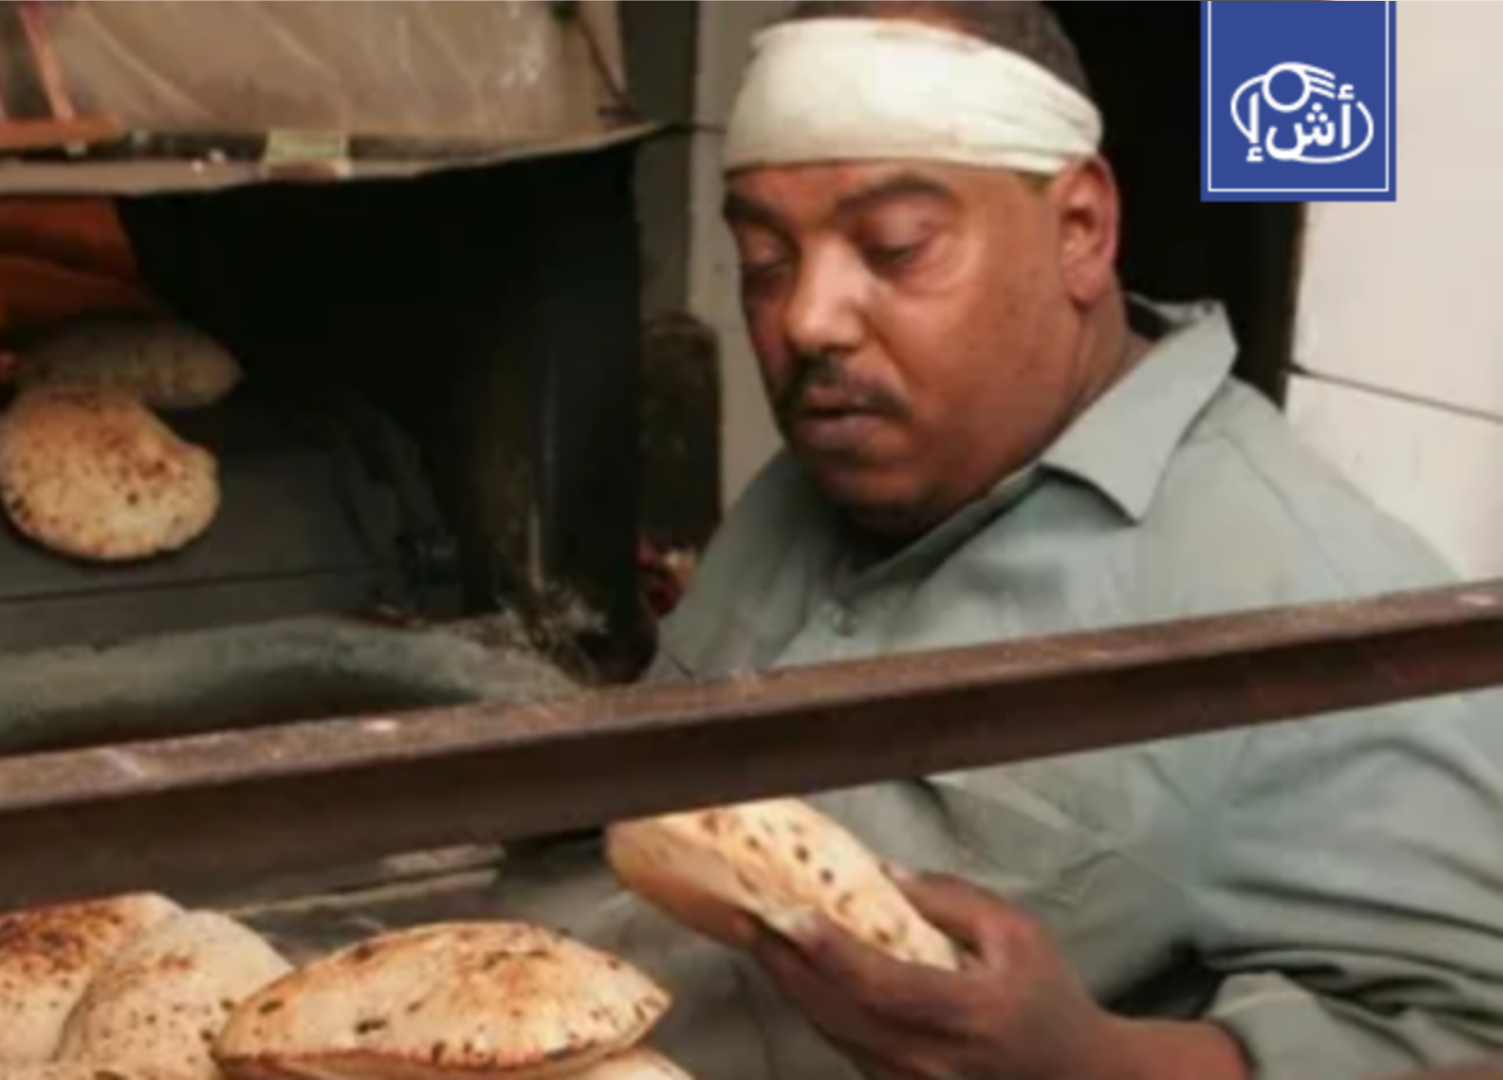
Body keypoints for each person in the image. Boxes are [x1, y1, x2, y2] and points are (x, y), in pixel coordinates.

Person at [495, 1, 1503, 1077]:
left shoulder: (1302, 610)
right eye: (764, 258)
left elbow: (1475, 1035)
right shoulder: (832, 474)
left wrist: (1086, 1063)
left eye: (895, 247)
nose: (807, 319)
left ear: (1081, 232)